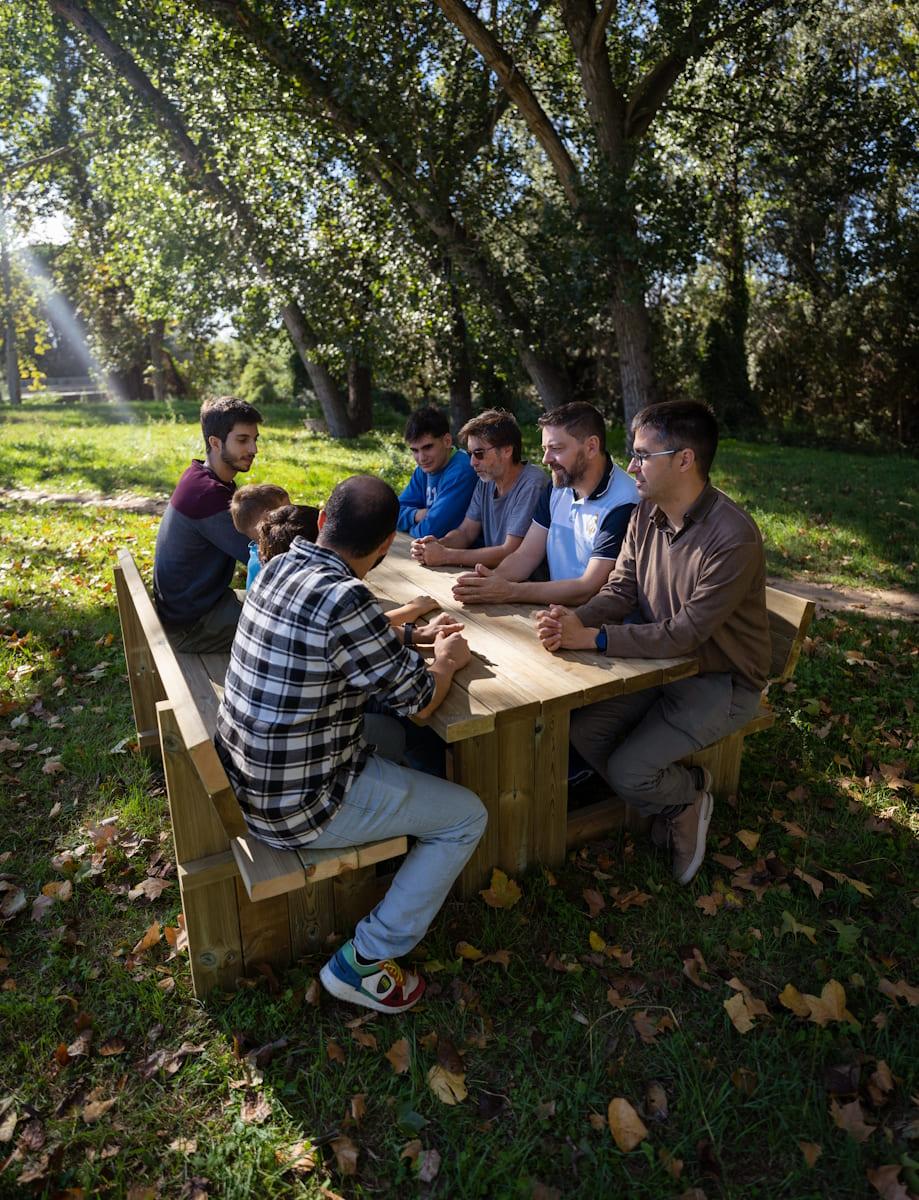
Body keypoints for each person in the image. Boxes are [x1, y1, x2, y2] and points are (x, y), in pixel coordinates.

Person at [215, 475, 487, 1014]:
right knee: (466, 817)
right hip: (298, 806)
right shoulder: (346, 597)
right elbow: (422, 700)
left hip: (250, 775)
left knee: (398, 740)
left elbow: (339, 640)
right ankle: (365, 960)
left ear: (320, 522)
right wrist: (450, 660)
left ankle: (399, 855)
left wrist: (408, 636)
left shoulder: (279, 566)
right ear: (387, 545)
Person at [535, 399, 771, 885]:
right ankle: (661, 793)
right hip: (657, 667)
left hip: (719, 681)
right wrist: (571, 619)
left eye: (643, 455)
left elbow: (686, 633)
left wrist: (595, 638)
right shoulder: (646, 512)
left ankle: (686, 798)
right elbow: (621, 589)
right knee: (583, 733)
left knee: (627, 772)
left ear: (685, 459)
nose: (632, 466)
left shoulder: (733, 537)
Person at [452, 401, 637, 606]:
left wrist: (510, 591)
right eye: (544, 449)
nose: (546, 459)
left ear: (591, 446)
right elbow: (525, 555)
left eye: (556, 448)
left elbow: (588, 588)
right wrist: (491, 581)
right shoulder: (558, 487)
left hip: (596, 626)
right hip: (553, 611)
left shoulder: (624, 501)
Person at [153, 395, 261, 652]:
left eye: (255, 440)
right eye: (242, 440)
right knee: (298, 626)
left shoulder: (201, 476)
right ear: (215, 442)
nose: (254, 450)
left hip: (196, 607)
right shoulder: (207, 495)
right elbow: (261, 551)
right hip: (192, 625)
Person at [258, 502, 441, 639]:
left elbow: (356, 627)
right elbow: (359, 631)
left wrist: (412, 618)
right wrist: (446, 660)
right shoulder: (335, 594)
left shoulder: (273, 572)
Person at [410, 408, 548, 569]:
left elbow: (511, 551)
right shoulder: (486, 480)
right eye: (470, 454)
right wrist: (436, 545)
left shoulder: (532, 483)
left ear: (507, 450)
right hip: (496, 576)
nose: (472, 462)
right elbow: (466, 532)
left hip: (527, 584)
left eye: (479, 453)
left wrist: (446, 555)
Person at [396, 406, 477, 539]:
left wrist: (408, 523)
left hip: (465, 555)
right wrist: (416, 515)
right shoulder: (424, 470)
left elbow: (429, 531)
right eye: (415, 450)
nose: (421, 458)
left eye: (427, 447)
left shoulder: (463, 471)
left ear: (447, 441)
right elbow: (390, 515)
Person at [230, 483, 291, 589]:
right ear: (265, 524)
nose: (294, 514)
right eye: (286, 513)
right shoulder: (262, 564)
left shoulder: (269, 549)